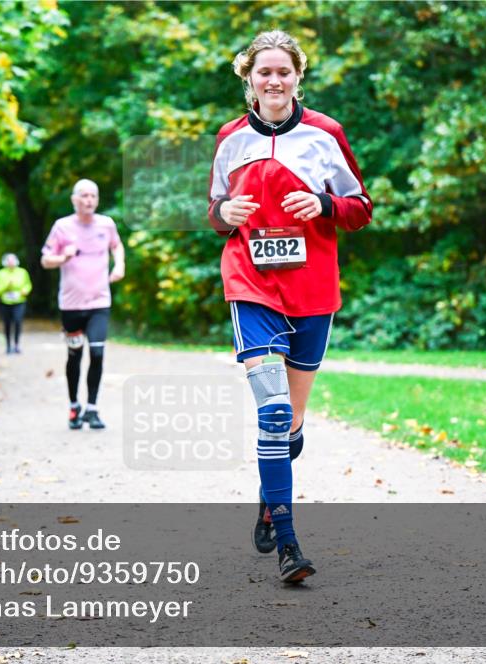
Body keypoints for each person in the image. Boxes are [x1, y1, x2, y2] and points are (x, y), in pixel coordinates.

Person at [208, 30, 372, 582]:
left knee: (291, 423)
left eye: (283, 71)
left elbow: (360, 208)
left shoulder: (325, 133)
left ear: (298, 76)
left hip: (312, 288)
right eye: (263, 72)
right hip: (250, 282)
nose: (273, 81)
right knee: (273, 411)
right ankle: (289, 543)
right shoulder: (230, 137)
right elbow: (215, 207)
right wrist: (224, 213)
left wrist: (324, 202)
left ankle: (265, 498)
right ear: (248, 79)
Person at [41, 179, 125, 430]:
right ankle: (74, 406)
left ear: (97, 200)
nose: (89, 200)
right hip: (71, 305)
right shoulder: (62, 227)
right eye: (84, 196)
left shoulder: (106, 224)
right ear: (74, 199)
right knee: (75, 356)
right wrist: (61, 257)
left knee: (98, 352)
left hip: (99, 301)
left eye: (93, 196)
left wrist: (119, 265)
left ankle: (93, 409)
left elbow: (117, 246)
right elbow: (45, 260)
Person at [0, 253, 32, 354]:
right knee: (7, 324)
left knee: (18, 321)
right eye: (9, 261)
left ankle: (16, 345)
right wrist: (7, 285)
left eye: (13, 261)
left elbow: (28, 285)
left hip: (19, 301)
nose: (11, 263)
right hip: (5, 302)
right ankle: (8, 346)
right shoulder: (0, 273)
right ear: (5, 262)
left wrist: (25, 291)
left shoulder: (22, 272)